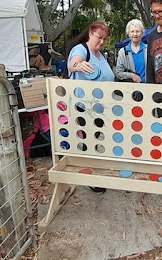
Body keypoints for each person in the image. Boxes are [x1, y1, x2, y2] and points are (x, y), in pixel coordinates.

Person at [67, 21, 114, 194]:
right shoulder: (82, 49)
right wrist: (78, 66)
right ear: (90, 34)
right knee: (89, 142)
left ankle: (93, 173)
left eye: (104, 39)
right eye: (99, 38)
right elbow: (73, 64)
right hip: (85, 107)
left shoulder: (101, 54)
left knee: (95, 141)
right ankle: (89, 178)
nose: (101, 42)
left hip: (100, 108)